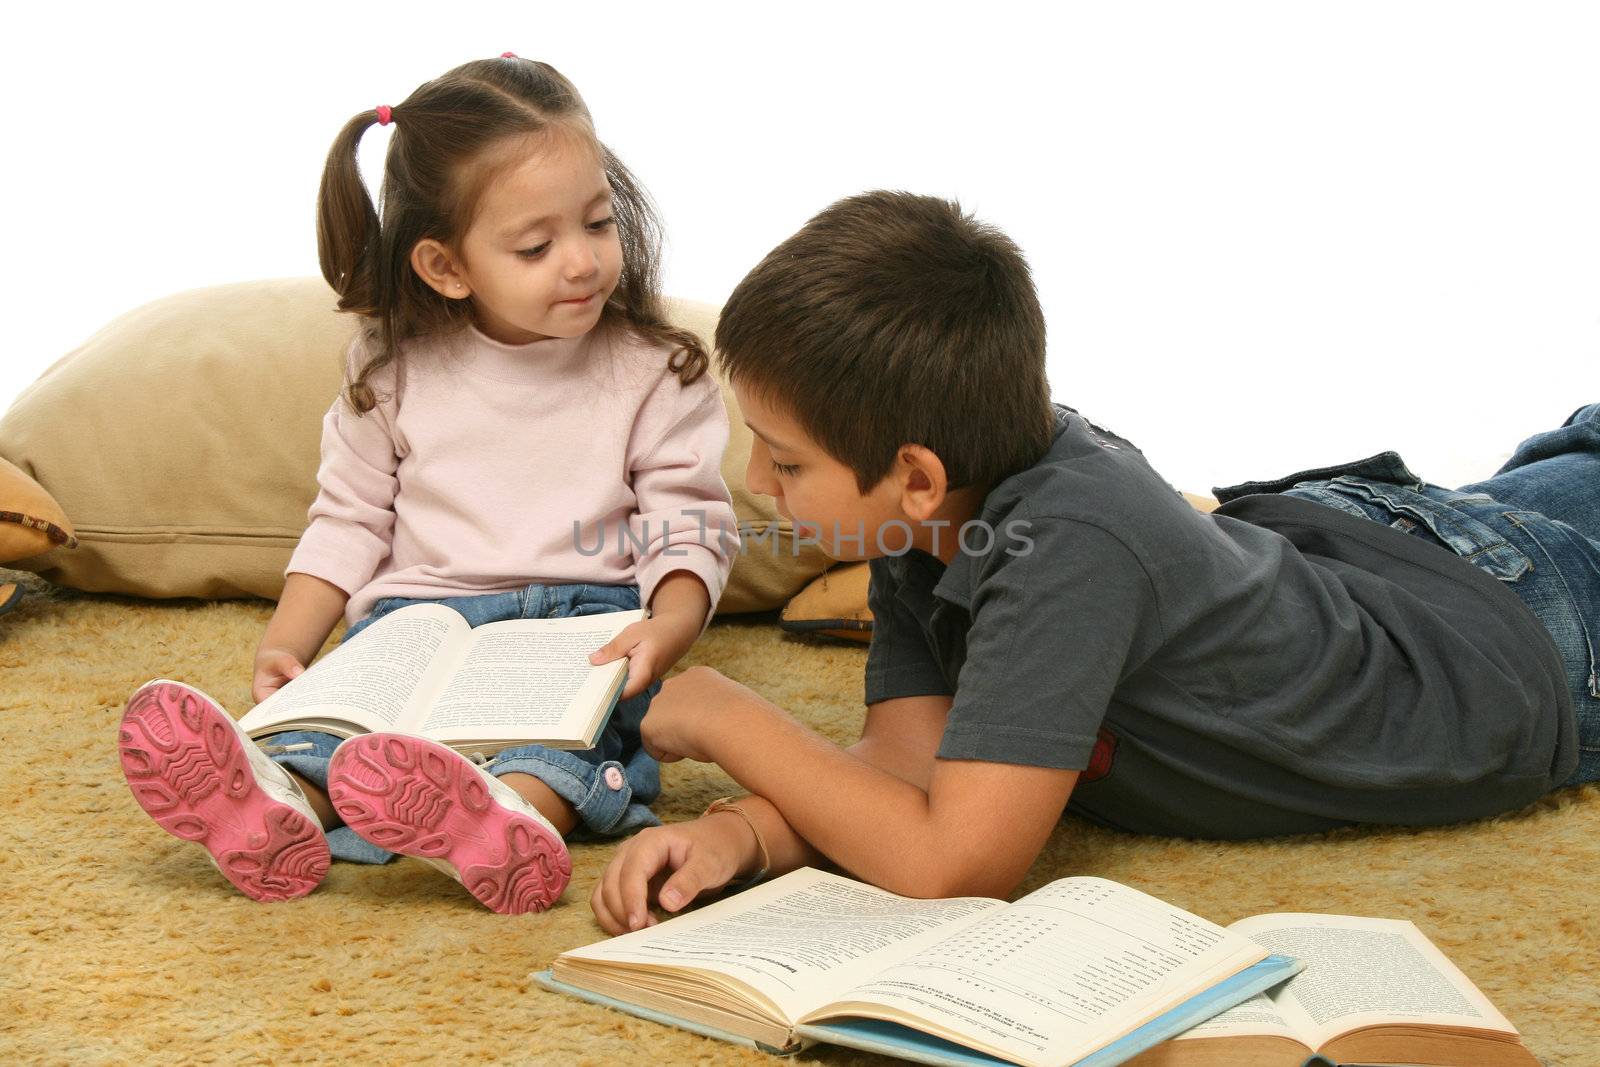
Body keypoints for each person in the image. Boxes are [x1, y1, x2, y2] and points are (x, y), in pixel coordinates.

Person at [588, 189, 1597, 935]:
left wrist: (728, 714)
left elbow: (953, 860)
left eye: (787, 457)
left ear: (915, 474)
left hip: (1513, 647)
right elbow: (905, 765)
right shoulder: (927, 521)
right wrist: (743, 833)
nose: (754, 476)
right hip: (1370, 549)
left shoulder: (1059, 547)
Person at [116, 55, 738, 913]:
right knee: (335, 735)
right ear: (446, 266)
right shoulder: (392, 369)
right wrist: (286, 646)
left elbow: (687, 521)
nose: (584, 261)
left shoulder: (654, 370)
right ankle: (275, 808)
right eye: (536, 245)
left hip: (580, 630)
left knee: (560, 745)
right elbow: (348, 517)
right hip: (416, 625)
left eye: (597, 223)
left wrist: (669, 625)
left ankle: (509, 821)